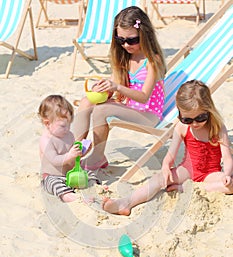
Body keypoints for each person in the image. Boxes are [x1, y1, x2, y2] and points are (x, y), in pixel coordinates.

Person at [102, 80, 233, 215]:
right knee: (158, 179)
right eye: (187, 119)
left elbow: (227, 157)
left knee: (230, 185)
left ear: (209, 110)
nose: (194, 124)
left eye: (201, 118)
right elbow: (171, 155)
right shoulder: (181, 127)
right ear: (180, 115)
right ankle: (126, 202)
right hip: (187, 169)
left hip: (211, 173)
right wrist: (165, 167)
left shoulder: (217, 127)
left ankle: (184, 188)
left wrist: (227, 175)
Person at [72, 6, 166, 170]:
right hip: (130, 107)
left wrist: (117, 87)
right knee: (86, 102)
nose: (126, 45)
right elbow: (113, 85)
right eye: (120, 40)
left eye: (132, 40)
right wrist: (103, 88)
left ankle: (97, 157)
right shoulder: (124, 57)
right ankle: (74, 150)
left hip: (148, 115)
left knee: (102, 111)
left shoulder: (152, 60)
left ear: (144, 34)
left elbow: (144, 96)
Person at [38, 95, 99, 203]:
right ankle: (74, 198)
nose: (67, 129)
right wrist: (70, 155)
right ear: (47, 123)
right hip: (54, 175)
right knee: (55, 185)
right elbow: (55, 160)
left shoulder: (69, 135)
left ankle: (95, 188)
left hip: (71, 173)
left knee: (90, 174)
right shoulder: (46, 140)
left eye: (69, 124)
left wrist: (82, 152)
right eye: (62, 126)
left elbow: (74, 156)